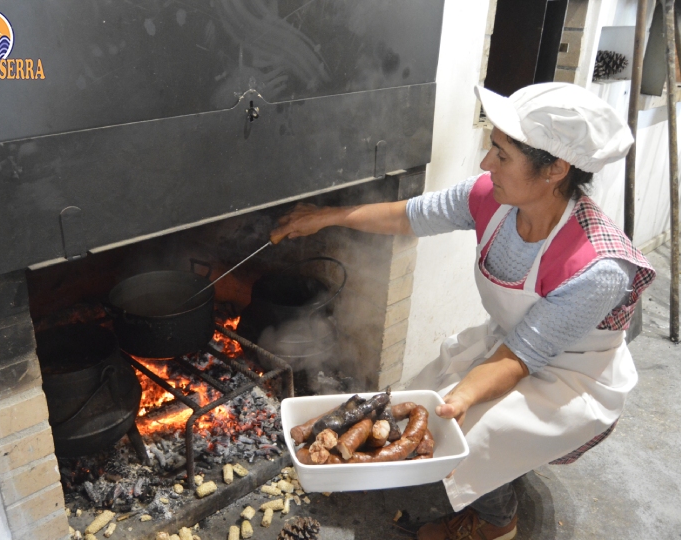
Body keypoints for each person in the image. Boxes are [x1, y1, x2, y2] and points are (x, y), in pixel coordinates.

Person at [269, 82, 656, 540]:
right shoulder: (490, 197)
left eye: (502, 155)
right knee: (425, 395)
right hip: (512, 343)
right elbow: (406, 215)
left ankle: (497, 523)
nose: (485, 164)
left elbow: (520, 357)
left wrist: (459, 403)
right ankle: (494, 469)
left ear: (556, 168)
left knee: (467, 431)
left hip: (575, 374)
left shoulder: (598, 265)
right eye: (491, 147)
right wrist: (329, 215)